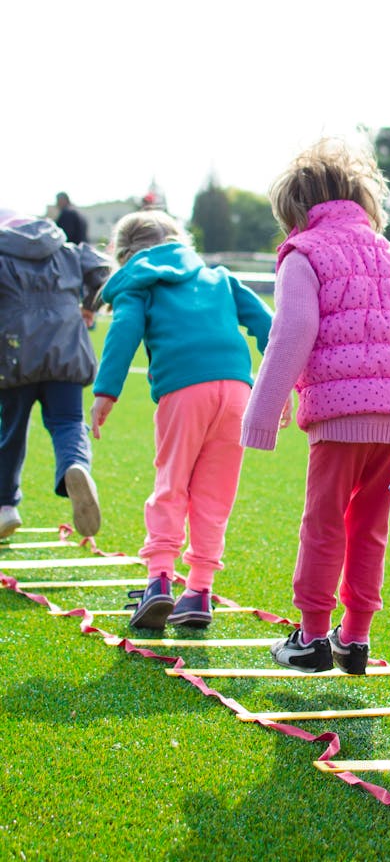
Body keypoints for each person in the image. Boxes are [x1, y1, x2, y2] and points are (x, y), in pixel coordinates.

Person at [241, 138, 390, 674]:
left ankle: (310, 637)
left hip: (341, 414)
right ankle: (354, 637)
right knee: (369, 526)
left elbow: (295, 329)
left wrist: (263, 411)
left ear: (296, 210)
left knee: (323, 522)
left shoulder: (304, 253)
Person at [90, 211, 273, 630]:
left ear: (124, 255)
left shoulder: (140, 283)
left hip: (184, 390)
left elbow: (125, 330)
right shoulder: (220, 277)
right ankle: (199, 592)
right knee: (215, 494)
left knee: (171, 483)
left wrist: (106, 392)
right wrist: (282, 384)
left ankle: (158, 581)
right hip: (237, 392)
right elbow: (269, 325)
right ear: (179, 240)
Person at [0, 210, 108, 539]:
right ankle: (75, 467)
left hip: (16, 352)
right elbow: (103, 272)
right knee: (68, 422)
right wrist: (90, 304)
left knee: (11, 430)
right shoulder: (67, 250)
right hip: (67, 349)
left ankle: (4, 506)